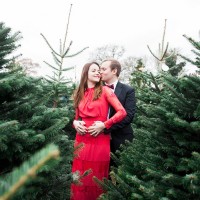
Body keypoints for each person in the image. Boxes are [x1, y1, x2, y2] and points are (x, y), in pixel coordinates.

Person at [71, 62, 127, 200]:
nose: (98, 73)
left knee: (96, 178)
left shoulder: (106, 91)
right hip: (81, 140)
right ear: (86, 73)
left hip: (99, 140)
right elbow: (76, 117)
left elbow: (122, 112)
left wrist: (104, 125)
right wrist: (75, 123)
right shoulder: (79, 92)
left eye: (99, 71)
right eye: (94, 70)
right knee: (80, 177)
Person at [100, 58, 136, 160]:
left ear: (114, 71)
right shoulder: (96, 90)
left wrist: (106, 127)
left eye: (103, 69)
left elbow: (129, 116)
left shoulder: (128, 90)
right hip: (99, 138)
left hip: (121, 138)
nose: (100, 72)